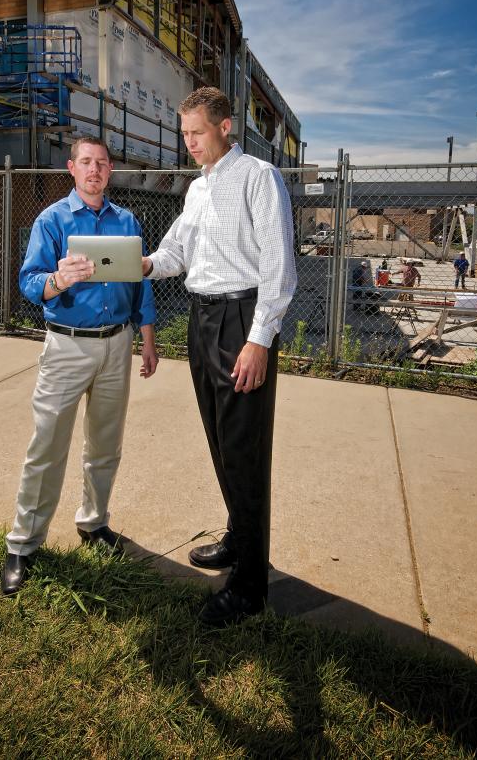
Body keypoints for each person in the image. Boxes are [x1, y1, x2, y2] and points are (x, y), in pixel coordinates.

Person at [142, 87, 296, 627]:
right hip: (201, 319)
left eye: (197, 133)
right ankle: (238, 537)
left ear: (225, 126)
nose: (190, 144)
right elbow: (176, 252)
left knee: (244, 450)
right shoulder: (197, 190)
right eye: (184, 135)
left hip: (241, 320)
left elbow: (278, 265)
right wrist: (142, 265)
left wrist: (259, 340)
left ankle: (251, 588)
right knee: (219, 440)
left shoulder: (259, 176)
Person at [1, 136, 158, 597]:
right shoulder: (51, 221)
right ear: (72, 168)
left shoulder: (126, 221)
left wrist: (146, 340)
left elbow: (139, 285)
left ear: (110, 171)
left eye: (102, 164)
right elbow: (28, 281)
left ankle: (93, 523)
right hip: (67, 347)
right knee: (47, 446)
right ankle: (23, 545)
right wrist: (57, 279)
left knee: (105, 445)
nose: (95, 170)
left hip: (117, 346)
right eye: (86, 162)